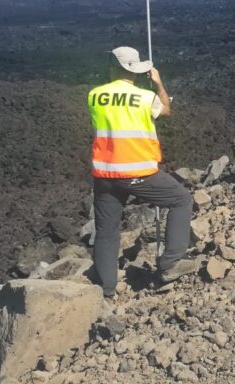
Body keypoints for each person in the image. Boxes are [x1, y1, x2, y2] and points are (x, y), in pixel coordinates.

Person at [88, 46, 198, 297]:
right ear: (135, 70)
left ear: (112, 66)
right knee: (181, 199)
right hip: (138, 172)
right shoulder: (145, 98)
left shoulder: (94, 95)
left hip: (104, 174)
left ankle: (106, 290)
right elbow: (167, 110)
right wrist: (158, 83)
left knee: (107, 230)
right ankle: (171, 263)